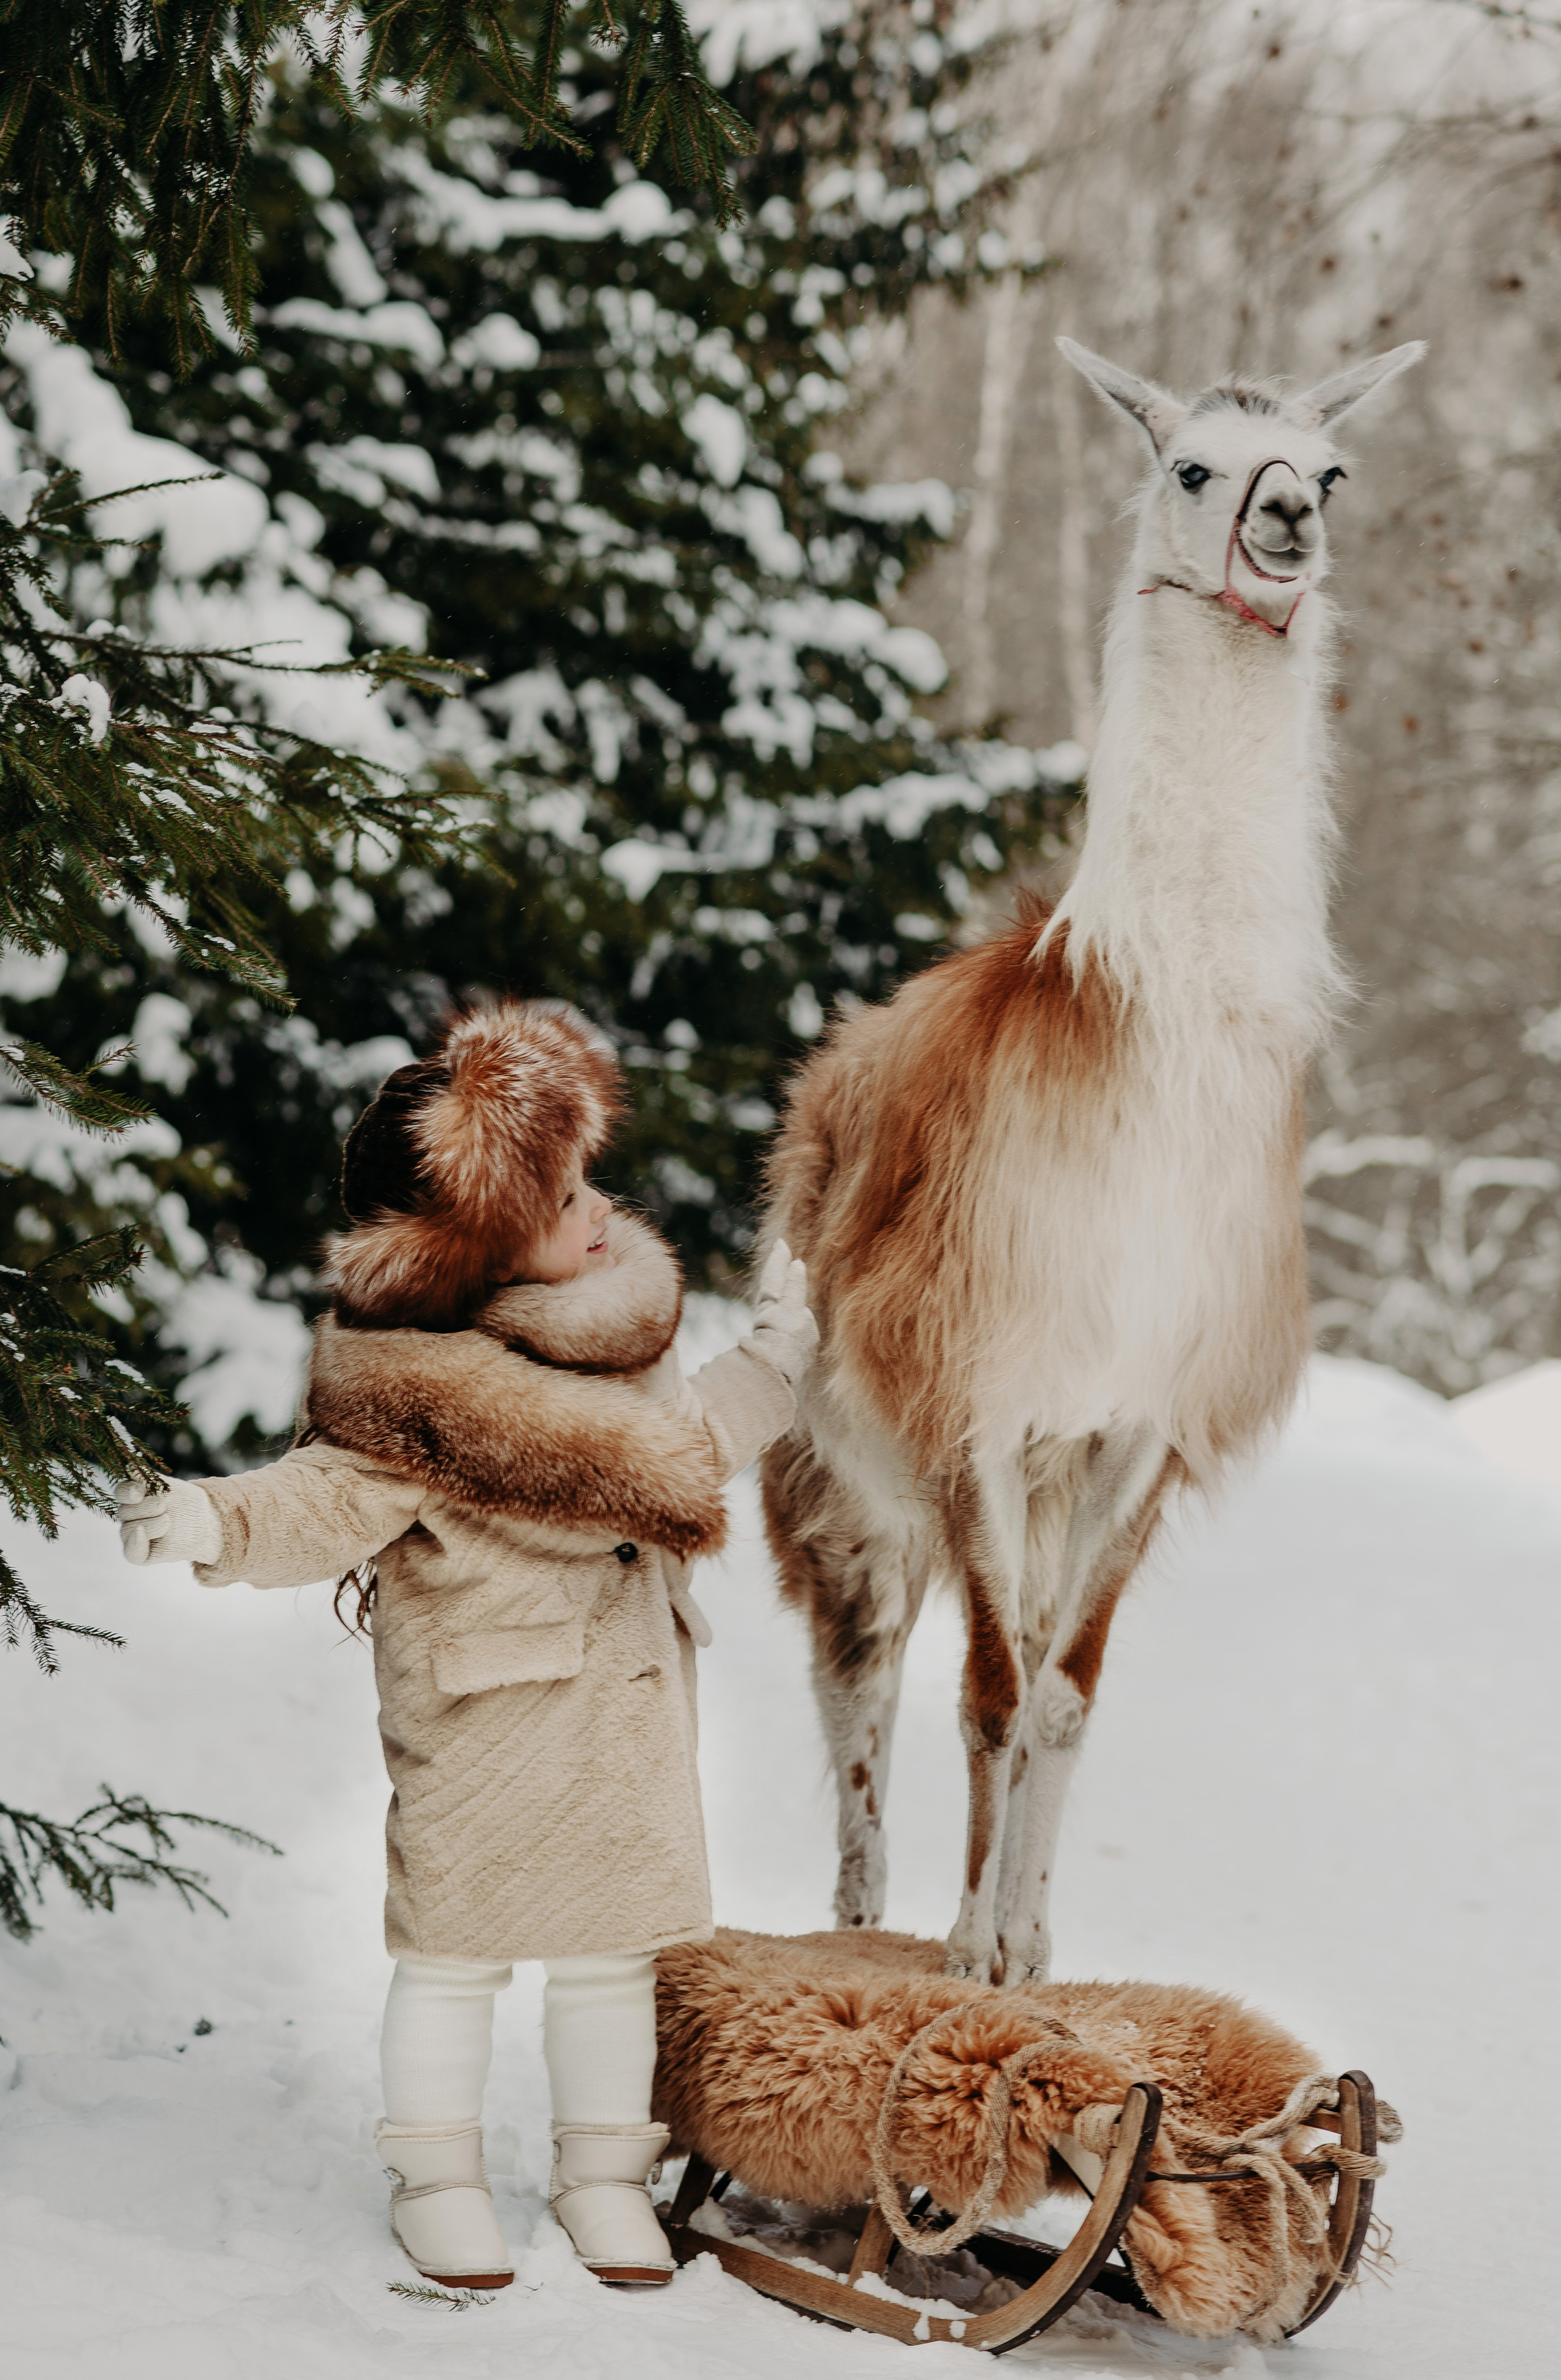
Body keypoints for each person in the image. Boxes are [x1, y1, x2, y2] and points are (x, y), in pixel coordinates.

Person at [115, 1001, 816, 2293]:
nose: (598, 1210)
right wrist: (213, 1519)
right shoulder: (419, 1391)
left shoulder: (614, 1330)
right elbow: (326, 1496)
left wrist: (777, 1355)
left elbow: (690, 1441)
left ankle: (604, 2175)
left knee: (610, 1959)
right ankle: (435, 2173)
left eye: (588, 1178)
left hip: (623, 1713)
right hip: (486, 1723)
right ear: (476, 1247)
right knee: (452, 1962)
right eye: (561, 1199)